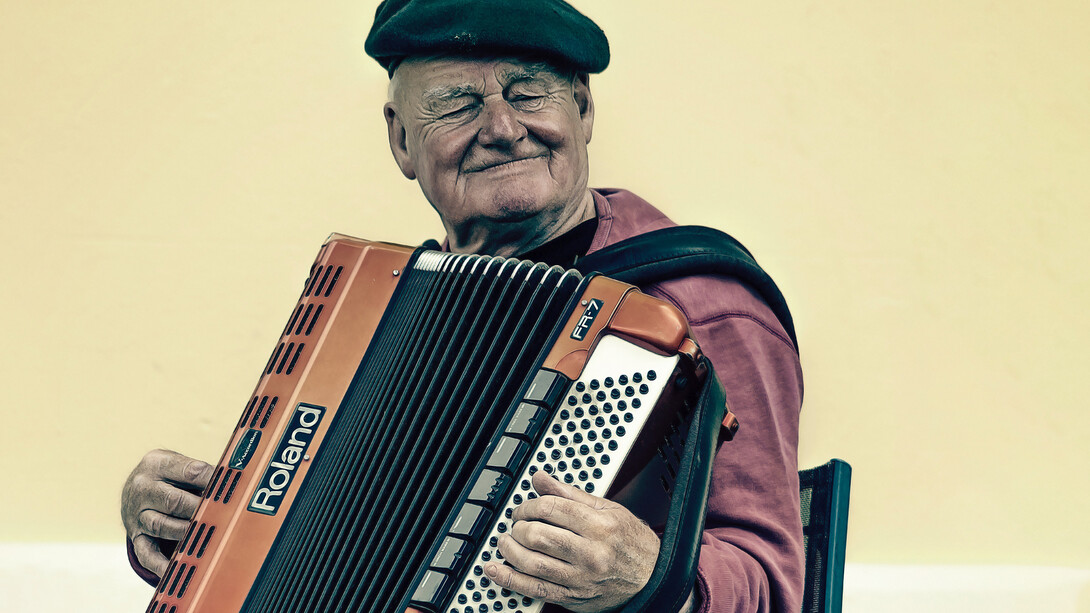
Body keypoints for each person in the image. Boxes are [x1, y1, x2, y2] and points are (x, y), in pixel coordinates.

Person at [120, 1, 805, 611]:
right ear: (401, 141)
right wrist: (183, 528)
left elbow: (775, 588)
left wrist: (651, 577)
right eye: (455, 103)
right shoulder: (379, 312)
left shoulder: (698, 303)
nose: (504, 127)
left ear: (584, 110)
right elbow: (300, 542)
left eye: (528, 92)